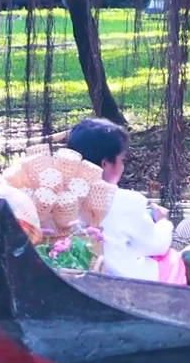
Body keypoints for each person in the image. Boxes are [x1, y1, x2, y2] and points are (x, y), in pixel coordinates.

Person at [64, 118, 174, 283]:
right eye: (121, 160)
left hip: (71, 276)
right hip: (124, 282)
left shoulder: (61, 199)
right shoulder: (126, 201)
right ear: (106, 164)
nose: (122, 166)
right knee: (174, 261)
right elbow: (154, 245)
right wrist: (163, 223)